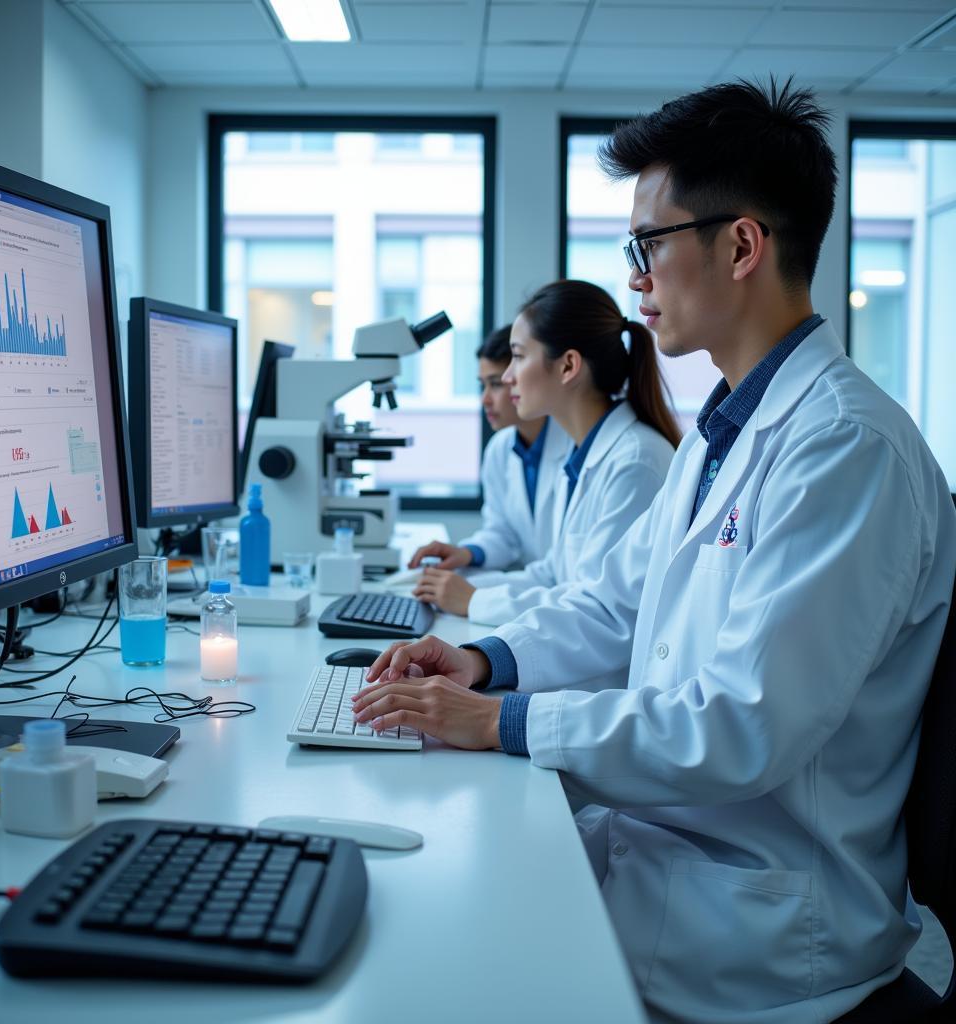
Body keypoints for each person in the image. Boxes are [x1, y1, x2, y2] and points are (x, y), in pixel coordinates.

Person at [353, 78, 956, 1024]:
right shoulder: (726, 430)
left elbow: (739, 726)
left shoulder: (847, 448)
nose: (634, 278)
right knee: (407, 887)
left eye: (648, 245)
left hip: (756, 927)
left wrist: (501, 723)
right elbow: (614, 603)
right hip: (671, 856)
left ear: (742, 245)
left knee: (423, 963)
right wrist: (481, 662)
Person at [413, 280, 678, 626]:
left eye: (518, 357)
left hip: (602, 673)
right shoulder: (589, 454)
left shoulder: (635, 461)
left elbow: (599, 610)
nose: (508, 377)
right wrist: (459, 589)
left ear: (568, 367)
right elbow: (554, 573)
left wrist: (475, 600)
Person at [407, 324, 571, 575]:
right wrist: (467, 553)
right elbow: (502, 533)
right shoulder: (500, 449)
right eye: (483, 385)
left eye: (495, 384)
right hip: (536, 588)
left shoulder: (574, 446)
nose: (485, 400)